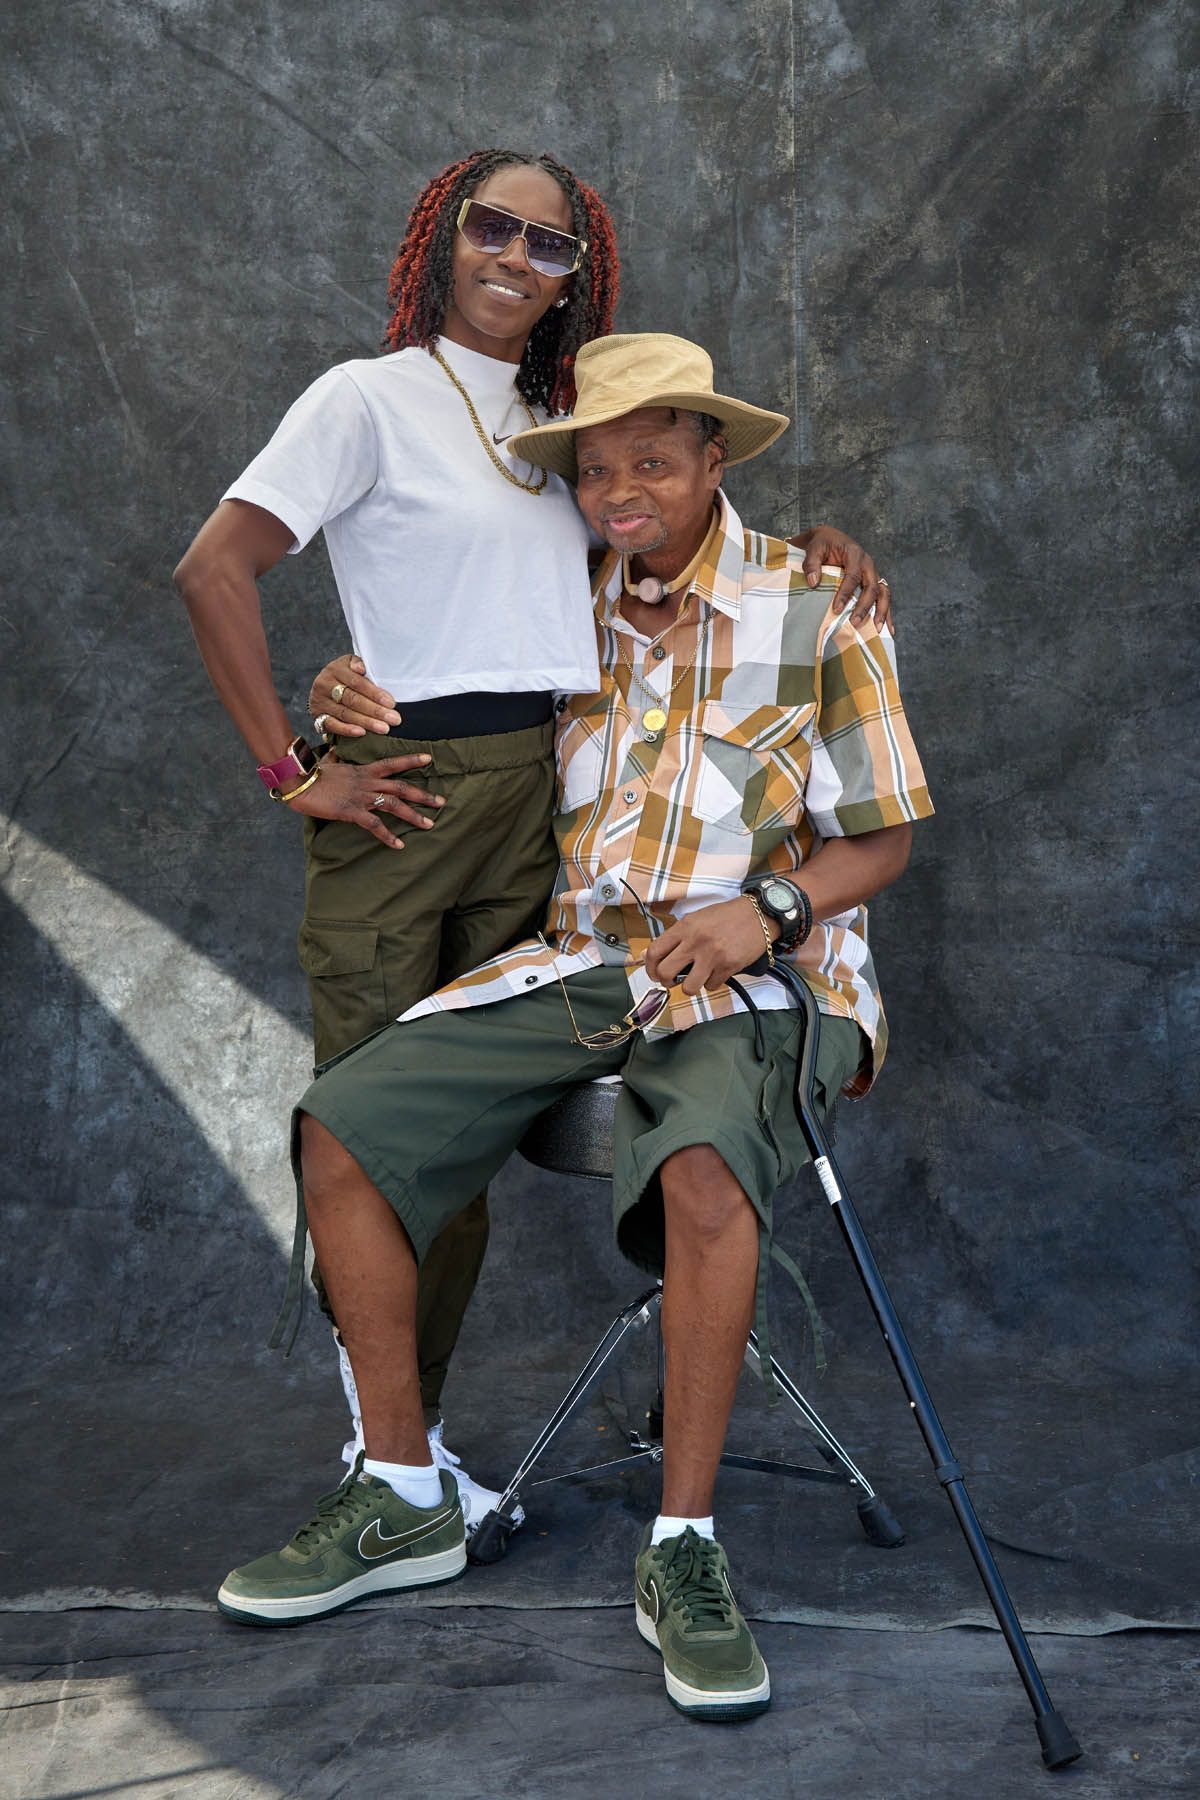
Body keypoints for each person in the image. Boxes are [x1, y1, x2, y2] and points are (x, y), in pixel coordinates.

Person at [216, 334, 934, 1725]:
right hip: (586, 963)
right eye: (595, 470)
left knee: (705, 1169)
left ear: (714, 459)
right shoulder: (559, 608)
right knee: (343, 1125)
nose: (620, 492)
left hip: (765, 973)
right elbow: (427, 670)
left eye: (652, 460)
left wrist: (765, 912)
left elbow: (885, 838)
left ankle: (684, 1549)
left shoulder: (818, 605)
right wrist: (338, 691)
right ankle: (403, 1491)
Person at [174, 147, 889, 1531]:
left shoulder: (573, 420)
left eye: (549, 243)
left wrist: (812, 546)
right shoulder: (366, 397)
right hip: (411, 795)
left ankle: (416, 1446)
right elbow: (216, 568)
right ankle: (389, 1452)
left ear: (577, 274)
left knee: (467, 1145)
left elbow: (659, 537)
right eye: (492, 227)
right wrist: (295, 765)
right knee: (376, 1125)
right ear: (443, 234)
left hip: (547, 809)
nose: (515, 256)